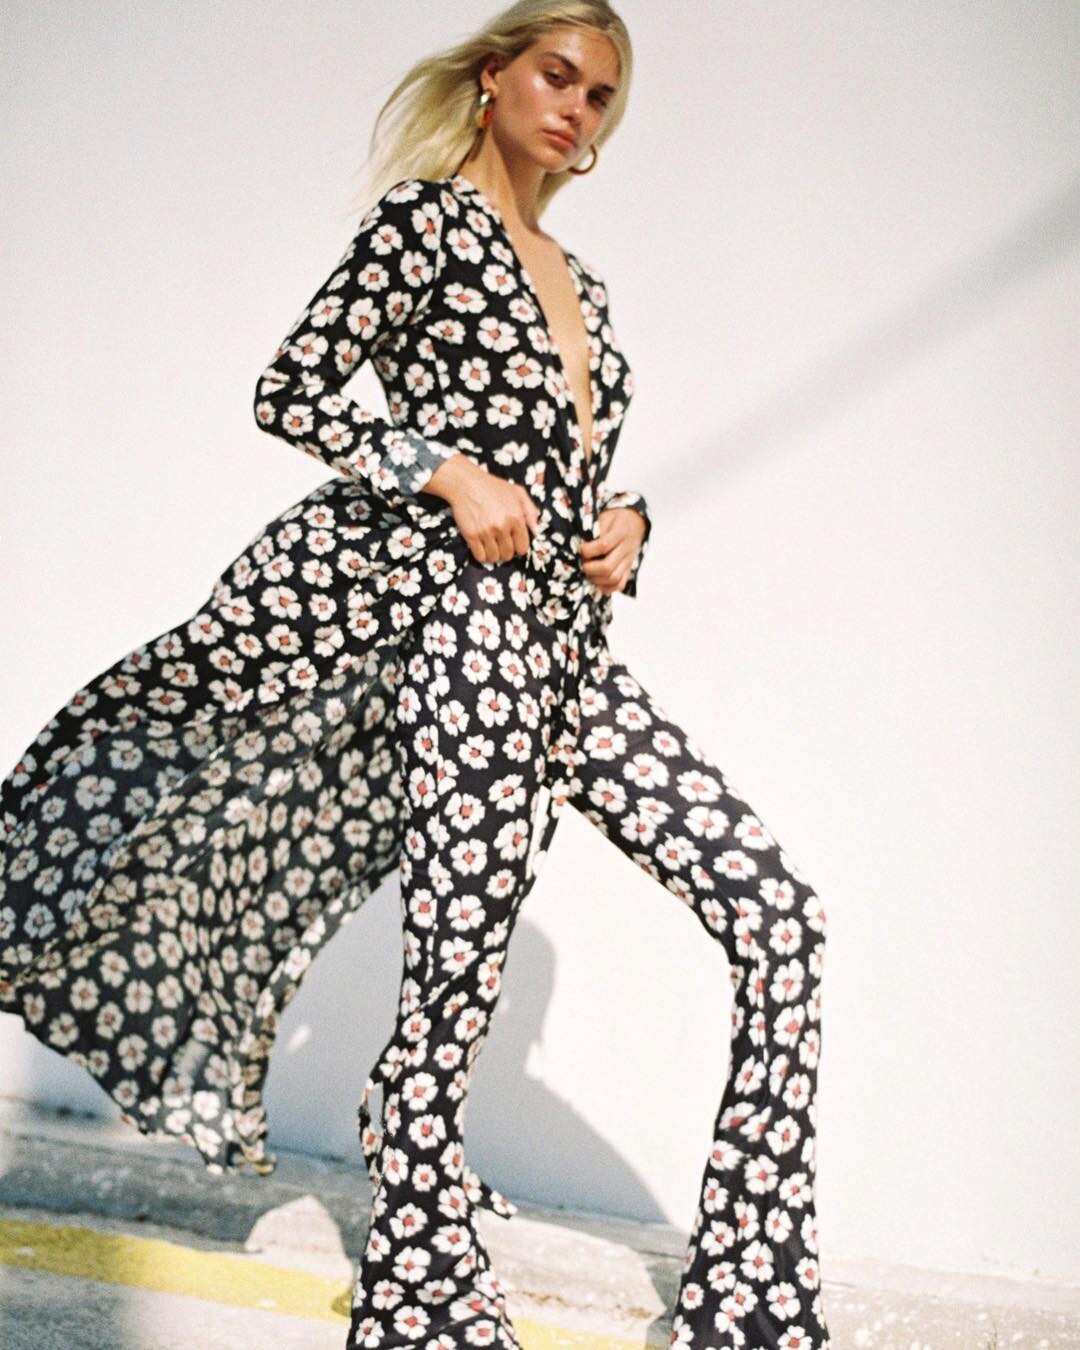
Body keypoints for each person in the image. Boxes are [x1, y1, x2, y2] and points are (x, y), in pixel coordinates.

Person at [0, 2, 831, 1346]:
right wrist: (442, 472)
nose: (577, 108)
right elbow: (294, 387)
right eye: (558, 75)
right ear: (495, 77)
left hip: (567, 650)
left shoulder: (582, 281)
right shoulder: (424, 226)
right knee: (464, 946)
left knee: (779, 913)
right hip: (462, 634)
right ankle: (420, 1270)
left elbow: (567, 463)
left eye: (602, 95)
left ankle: (751, 1282)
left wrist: (631, 521)